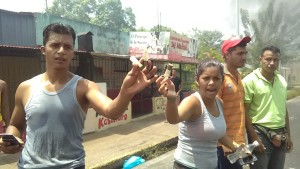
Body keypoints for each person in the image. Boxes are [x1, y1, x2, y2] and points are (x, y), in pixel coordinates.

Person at [0, 23, 158, 169]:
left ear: (72, 52)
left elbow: (112, 111)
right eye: (55, 45)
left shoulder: (85, 87)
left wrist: (125, 92)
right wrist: (10, 139)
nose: (61, 51)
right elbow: (15, 125)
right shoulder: (25, 88)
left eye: (67, 47)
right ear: (43, 49)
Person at [156, 58, 242, 169]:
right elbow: (173, 119)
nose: (211, 83)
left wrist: (237, 148)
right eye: (206, 78)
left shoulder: (219, 103)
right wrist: (172, 99)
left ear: (222, 80)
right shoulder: (193, 102)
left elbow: (219, 133)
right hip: (187, 166)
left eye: (216, 78)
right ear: (197, 80)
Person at [242, 45, 293, 169]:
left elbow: (283, 109)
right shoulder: (250, 81)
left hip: (281, 134)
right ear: (260, 59)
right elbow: (245, 111)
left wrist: (288, 135)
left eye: (276, 60)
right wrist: (254, 137)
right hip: (260, 134)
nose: (272, 63)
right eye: (268, 59)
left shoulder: (281, 80)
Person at [217, 36, 251, 169]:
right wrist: (225, 143)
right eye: (239, 53)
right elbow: (213, 113)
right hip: (223, 146)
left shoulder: (238, 76)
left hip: (237, 144)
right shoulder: (219, 78)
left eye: (245, 53)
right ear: (227, 55)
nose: (244, 57)